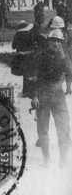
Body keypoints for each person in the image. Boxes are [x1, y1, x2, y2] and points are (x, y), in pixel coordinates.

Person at [32, 15, 72, 167]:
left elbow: (70, 72)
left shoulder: (63, 56)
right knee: (42, 128)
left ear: (61, 42)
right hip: (43, 94)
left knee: (64, 127)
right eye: (53, 40)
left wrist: (63, 58)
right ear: (48, 41)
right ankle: (46, 159)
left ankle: (63, 159)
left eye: (58, 41)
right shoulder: (41, 56)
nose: (55, 43)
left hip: (58, 94)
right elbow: (35, 77)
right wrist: (34, 96)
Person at [11, 21, 39, 98]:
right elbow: (34, 46)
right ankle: (31, 92)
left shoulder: (17, 35)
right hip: (29, 56)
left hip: (20, 57)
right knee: (31, 73)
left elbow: (13, 46)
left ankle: (25, 92)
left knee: (25, 74)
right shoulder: (30, 34)